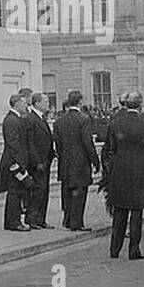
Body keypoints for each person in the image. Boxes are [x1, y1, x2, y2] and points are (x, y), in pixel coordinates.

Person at [102, 91, 144, 260]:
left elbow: (111, 147)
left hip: (120, 169)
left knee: (120, 210)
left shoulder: (115, 123)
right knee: (136, 211)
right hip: (140, 169)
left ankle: (114, 249)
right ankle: (134, 250)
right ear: (140, 105)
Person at [53, 90, 100, 232]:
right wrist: (95, 161)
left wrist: (63, 155)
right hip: (80, 162)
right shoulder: (84, 119)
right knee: (79, 192)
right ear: (80, 102)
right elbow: (88, 143)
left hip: (66, 161)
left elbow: (57, 142)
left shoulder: (59, 121)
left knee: (67, 191)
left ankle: (67, 220)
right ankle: (77, 222)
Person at [0, 93, 33, 232]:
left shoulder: (15, 119)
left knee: (16, 192)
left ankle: (12, 221)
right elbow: (13, 144)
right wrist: (20, 164)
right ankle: (14, 222)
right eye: (23, 103)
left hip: (16, 161)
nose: (26, 106)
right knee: (15, 193)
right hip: (14, 163)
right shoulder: (11, 120)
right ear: (16, 104)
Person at [23, 91, 56, 229]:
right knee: (37, 191)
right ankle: (32, 219)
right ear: (37, 103)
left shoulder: (41, 118)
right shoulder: (31, 119)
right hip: (38, 162)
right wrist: (36, 162)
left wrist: (52, 153)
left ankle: (41, 219)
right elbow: (30, 143)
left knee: (44, 191)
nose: (48, 104)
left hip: (45, 160)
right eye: (45, 102)